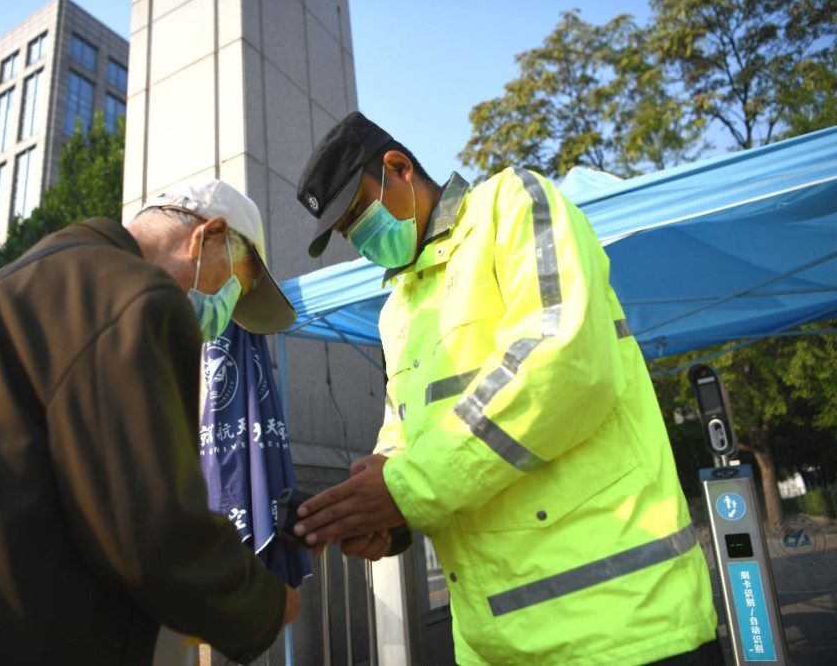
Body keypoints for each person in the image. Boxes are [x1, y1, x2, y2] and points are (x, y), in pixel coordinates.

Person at [292, 112, 721, 665]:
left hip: (625, 628)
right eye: (348, 233)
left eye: (358, 214)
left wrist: (405, 488)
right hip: (491, 647)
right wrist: (385, 512)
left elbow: (561, 361)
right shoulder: (398, 307)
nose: (360, 239)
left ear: (397, 167)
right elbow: (405, 436)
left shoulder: (510, 205)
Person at [0, 179, 300, 665]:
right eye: (234, 284)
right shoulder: (134, 297)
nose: (223, 313)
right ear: (206, 237)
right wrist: (266, 605)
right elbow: (154, 531)